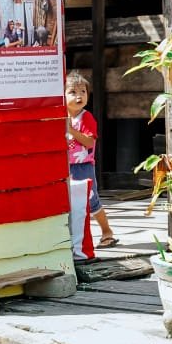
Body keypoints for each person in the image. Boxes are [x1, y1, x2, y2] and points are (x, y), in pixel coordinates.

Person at [65, 72, 117, 249]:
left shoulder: (86, 117)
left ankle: (107, 232)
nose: (79, 96)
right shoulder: (63, 118)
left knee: (91, 200)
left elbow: (89, 141)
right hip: (65, 166)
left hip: (83, 166)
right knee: (69, 202)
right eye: (73, 92)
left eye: (83, 91)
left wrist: (70, 130)